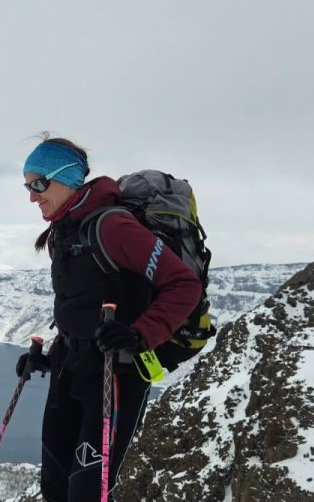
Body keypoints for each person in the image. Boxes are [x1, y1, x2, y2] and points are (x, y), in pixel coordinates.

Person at [16, 136, 201, 502]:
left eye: (39, 184)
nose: (32, 196)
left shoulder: (112, 227)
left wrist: (140, 334)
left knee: (88, 493)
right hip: (71, 370)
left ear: (67, 178)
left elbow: (185, 285)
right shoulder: (61, 234)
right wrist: (47, 358)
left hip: (116, 376)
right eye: (27, 186)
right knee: (54, 488)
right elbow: (81, 308)